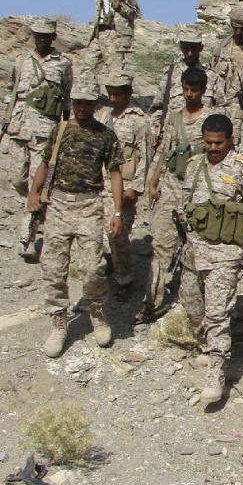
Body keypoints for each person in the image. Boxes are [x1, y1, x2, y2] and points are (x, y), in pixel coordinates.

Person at [28, 79, 124, 358]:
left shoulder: (105, 135)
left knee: (92, 267)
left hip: (89, 206)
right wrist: (33, 194)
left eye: (87, 102)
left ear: (96, 104)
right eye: (77, 102)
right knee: (53, 267)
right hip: (58, 204)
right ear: (71, 102)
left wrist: (117, 212)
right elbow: (44, 164)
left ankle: (97, 312)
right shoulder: (59, 131)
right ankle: (59, 322)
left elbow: (115, 172)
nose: (82, 107)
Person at [181, 113, 243, 404]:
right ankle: (208, 347)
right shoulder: (194, 166)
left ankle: (217, 370)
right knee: (191, 302)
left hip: (225, 253)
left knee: (217, 314)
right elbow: (185, 206)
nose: (213, 148)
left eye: (219, 143)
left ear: (230, 140)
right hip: (193, 251)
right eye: (208, 143)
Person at [140, 67, 215, 323]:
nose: (189, 94)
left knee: (198, 247)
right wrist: (153, 180)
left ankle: (197, 304)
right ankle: (152, 301)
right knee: (160, 245)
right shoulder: (173, 118)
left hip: (199, 190)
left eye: (194, 90)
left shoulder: (212, 119)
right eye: (185, 89)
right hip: (171, 186)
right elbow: (164, 149)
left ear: (203, 91)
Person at [0, 18, 72, 213]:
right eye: (38, 35)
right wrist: (7, 116)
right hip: (18, 124)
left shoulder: (63, 64)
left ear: (53, 37)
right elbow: (10, 90)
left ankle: (32, 220)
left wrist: (64, 126)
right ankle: (34, 201)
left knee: (37, 177)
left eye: (45, 36)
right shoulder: (21, 60)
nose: (41, 39)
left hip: (44, 128)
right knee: (16, 176)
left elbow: (67, 97)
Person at [95, 74, 149, 293]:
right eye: (110, 93)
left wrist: (135, 188)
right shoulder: (102, 117)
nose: (113, 98)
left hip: (124, 185)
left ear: (128, 93)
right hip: (100, 184)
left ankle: (125, 277)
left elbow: (145, 156)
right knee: (100, 232)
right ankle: (113, 266)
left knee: (117, 233)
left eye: (118, 93)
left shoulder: (138, 120)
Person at [150, 27, 224, 151]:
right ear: (181, 47)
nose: (189, 53)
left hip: (202, 143)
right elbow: (157, 107)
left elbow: (222, 108)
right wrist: (155, 131)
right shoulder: (170, 75)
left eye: (193, 49)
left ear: (201, 48)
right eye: (186, 49)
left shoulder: (212, 77)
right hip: (172, 140)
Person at [86, 0, 140, 78]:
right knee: (87, 67)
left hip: (115, 36)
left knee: (116, 71)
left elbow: (135, 13)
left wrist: (120, 8)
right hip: (99, 34)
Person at [211, 6, 243, 143]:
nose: (238, 32)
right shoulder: (222, 47)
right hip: (221, 103)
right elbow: (212, 73)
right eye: (235, 28)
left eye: (242, 28)